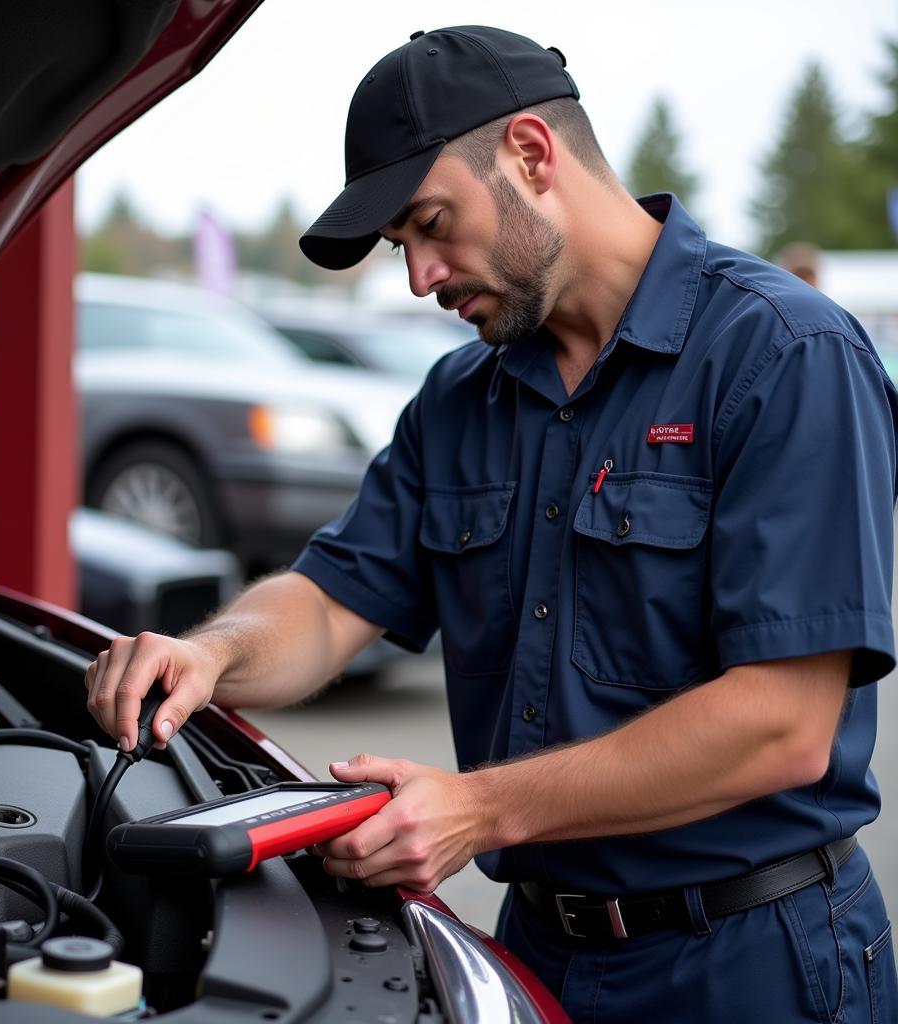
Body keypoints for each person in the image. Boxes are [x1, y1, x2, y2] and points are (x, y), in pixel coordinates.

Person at [85, 26, 898, 1022]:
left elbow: (783, 724)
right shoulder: (458, 400)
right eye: (401, 248)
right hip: (535, 957)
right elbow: (332, 603)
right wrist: (209, 655)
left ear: (529, 153)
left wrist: (476, 808)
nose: (420, 277)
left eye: (432, 223)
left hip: (752, 962)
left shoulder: (783, 355)